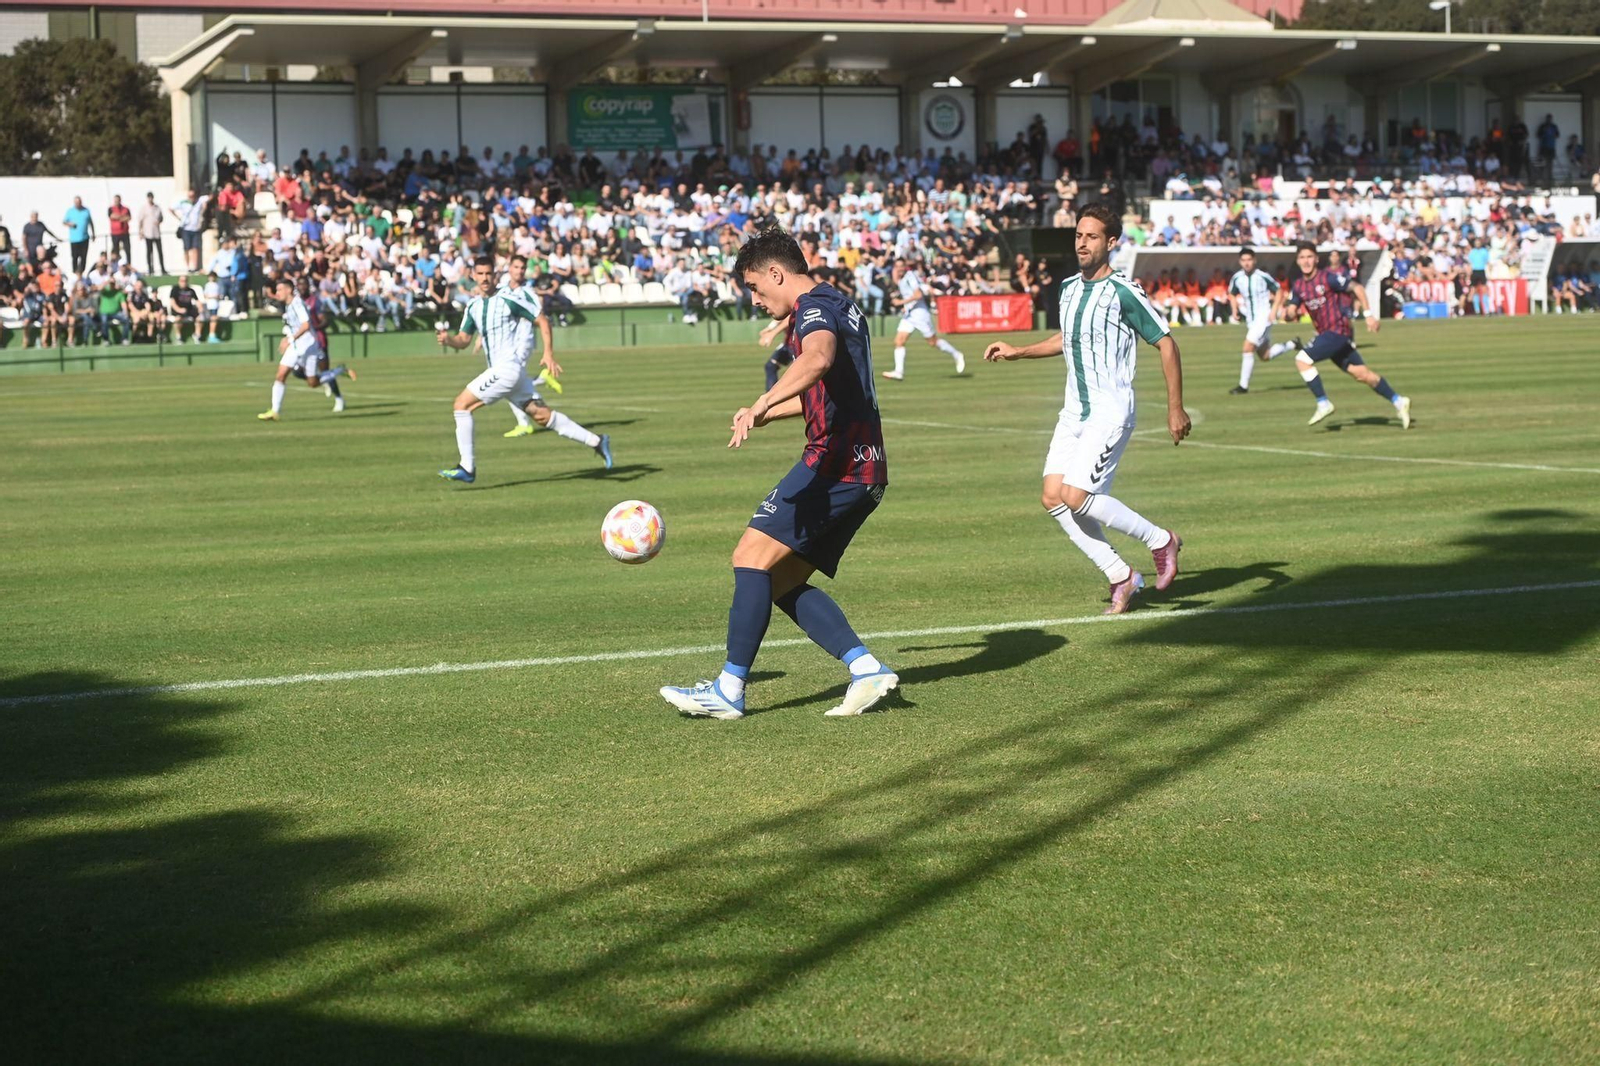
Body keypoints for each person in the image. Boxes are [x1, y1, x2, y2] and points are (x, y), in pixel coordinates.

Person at [660, 225, 896, 720]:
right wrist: (767, 413)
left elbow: (818, 358)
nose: (754, 299)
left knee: (750, 556)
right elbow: (833, 390)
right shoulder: (839, 301)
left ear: (775, 272)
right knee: (777, 581)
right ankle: (866, 668)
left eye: (753, 287)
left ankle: (727, 691)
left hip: (837, 463)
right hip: (864, 467)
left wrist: (768, 397)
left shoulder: (812, 309)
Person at [982, 202, 1190, 615]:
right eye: (1079, 235)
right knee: (1053, 497)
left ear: (1111, 243)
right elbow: (1068, 338)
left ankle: (1160, 540)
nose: (1082, 243)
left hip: (1110, 411)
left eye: (1092, 236)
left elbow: (1166, 342)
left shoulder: (1124, 291)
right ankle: (1121, 575)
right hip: (1074, 412)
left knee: (1077, 495)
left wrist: (1175, 408)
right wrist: (1019, 351)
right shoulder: (1069, 288)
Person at [434, 254, 612, 484]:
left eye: (489, 273)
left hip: (507, 368)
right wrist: (449, 340)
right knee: (542, 416)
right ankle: (597, 442)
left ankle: (467, 467)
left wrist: (548, 353)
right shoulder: (473, 306)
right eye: (480, 274)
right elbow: (464, 339)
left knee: (461, 405)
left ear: (496, 275)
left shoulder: (508, 298)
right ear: (473, 276)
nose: (485, 278)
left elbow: (543, 320)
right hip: (509, 374)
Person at [1278, 241, 1411, 428]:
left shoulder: (1329, 278)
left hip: (1338, 330)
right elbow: (1292, 308)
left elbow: (1357, 288)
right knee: (1362, 374)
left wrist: (1368, 315)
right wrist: (1288, 313)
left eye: (1309, 257)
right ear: (1297, 261)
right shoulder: (1299, 285)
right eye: (1302, 257)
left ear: (1316, 259)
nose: (1306, 261)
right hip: (1329, 335)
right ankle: (1399, 401)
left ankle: (1323, 403)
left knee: (1302, 360)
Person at [258, 278, 353, 420]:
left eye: (280, 290)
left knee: (312, 383)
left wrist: (289, 339)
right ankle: (275, 411)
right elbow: (295, 326)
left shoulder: (297, 304)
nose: (278, 293)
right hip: (295, 346)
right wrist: (288, 338)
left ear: (289, 290)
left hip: (308, 346)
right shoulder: (289, 305)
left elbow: (306, 325)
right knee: (280, 375)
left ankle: (339, 371)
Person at [881, 259, 965, 380]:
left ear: (905, 267)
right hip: (910, 315)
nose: (899, 269)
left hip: (920, 314)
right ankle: (899, 372)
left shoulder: (910, 277)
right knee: (899, 341)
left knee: (932, 342)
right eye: (897, 266)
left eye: (901, 266)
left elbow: (918, 295)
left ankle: (956, 354)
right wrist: (906, 306)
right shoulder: (902, 278)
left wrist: (901, 302)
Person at [1227, 246, 1283, 395]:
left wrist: (1274, 310)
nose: (1246, 263)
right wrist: (1234, 309)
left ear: (1254, 260)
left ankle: (1243, 386)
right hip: (1251, 321)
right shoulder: (1237, 278)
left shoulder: (1262, 276)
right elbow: (1231, 293)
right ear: (1240, 262)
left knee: (1247, 347)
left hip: (1264, 317)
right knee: (1264, 355)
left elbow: (1278, 290)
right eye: (1244, 260)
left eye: (1249, 260)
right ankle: (1292, 344)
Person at [170, 187, 209, 271]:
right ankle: (188, 267)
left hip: (196, 229)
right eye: (190, 196)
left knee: (195, 248)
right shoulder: (183, 203)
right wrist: (179, 218)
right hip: (186, 229)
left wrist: (204, 208)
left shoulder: (199, 201)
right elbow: (171, 208)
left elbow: (209, 197)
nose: (191, 198)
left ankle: (194, 267)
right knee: (187, 248)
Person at [758, 312, 793, 390]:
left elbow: (790, 317)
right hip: (788, 344)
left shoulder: (800, 302)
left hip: (799, 346)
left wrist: (772, 333)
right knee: (770, 366)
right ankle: (771, 397)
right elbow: (783, 315)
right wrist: (769, 328)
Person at [63, 196, 94, 275]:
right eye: (76, 202)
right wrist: (70, 224)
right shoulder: (70, 211)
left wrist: (93, 233)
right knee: (75, 256)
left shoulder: (86, 210)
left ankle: (81, 271)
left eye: (79, 202)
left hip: (84, 238)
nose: (78, 204)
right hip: (74, 239)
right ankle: (75, 272)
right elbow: (64, 222)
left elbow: (90, 222)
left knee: (83, 256)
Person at [137, 192, 165, 274]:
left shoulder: (157, 207)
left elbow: (161, 218)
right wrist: (140, 232)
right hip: (148, 233)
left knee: (159, 251)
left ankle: (162, 268)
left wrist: (159, 221)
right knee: (149, 252)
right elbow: (140, 221)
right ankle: (150, 268)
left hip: (156, 233)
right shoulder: (144, 208)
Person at [107, 195, 133, 266]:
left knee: (127, 250)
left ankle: (128, 265)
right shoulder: (110, 208)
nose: (116, 202)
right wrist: (122, 217)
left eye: (117, 200)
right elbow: (111, 216)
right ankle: (116, 266)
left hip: (125, 233)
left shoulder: (126, 209)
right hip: (115, 233)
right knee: (116, 251)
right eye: (115, 200)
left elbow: (128, 217)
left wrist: (118, 217)